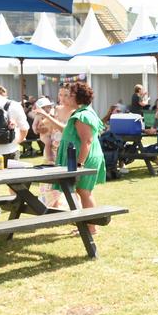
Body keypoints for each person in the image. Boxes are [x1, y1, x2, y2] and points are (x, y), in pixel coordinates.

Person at [54, 82, 106, 234]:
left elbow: (87, 141)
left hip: (84, 158)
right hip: (82, 156)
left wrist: (79, 163)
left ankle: (91, 228)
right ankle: (88, 226)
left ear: (78, 98)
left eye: (70, 95)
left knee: (84, 191)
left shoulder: (82, 115)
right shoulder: (82, 112)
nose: (67, 98)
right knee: (82, 191)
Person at [0, 84, 29, 168]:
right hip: (10, 149)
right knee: (14, 179)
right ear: (3, 94)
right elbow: (24, 129)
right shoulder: (14, 105)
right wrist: (18, 141)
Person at [32, 97, 56, 163]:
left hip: (52, 133)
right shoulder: (38, 116)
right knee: (48, 143)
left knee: (54, 143)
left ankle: (53, 157)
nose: (46, 109)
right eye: (43, 108)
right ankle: (49, 158)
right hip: (44, 135)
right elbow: (34, 125)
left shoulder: (51, 114)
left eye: (48, 107)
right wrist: (35, 130)